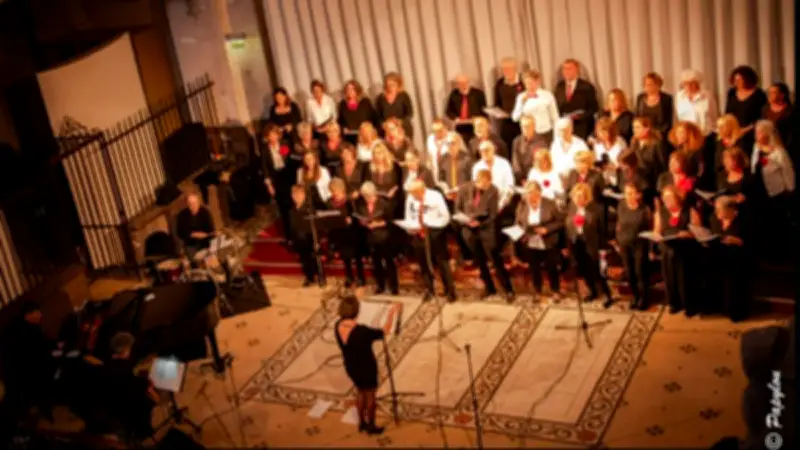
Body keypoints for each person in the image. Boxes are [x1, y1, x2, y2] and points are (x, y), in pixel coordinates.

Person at [334, 295, 398, 435]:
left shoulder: (337, 325)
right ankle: (371, 425)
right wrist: (392, 313)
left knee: (360, 391)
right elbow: (384, 331)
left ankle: (362, 423)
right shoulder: (362, 331)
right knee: (370, 395)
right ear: (356, 312)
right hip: (366, 367)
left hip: (351, 366)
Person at [455, 169, 515, 301]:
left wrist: (479, 224)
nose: (485, 187)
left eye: (487, 185)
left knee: (495, 260)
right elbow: (457, 209)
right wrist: (466, 221)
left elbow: (493, 214)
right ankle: (489, 287)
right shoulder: (464, 189)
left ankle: (508, 289)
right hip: (469, 230)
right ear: (477, 180)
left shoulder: (493, 190)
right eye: (483, 184)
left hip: (486, 229)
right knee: (480, 261)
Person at [2, 302, 56, 422]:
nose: (40, 315)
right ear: (28, 315)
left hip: (12, 375)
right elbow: (40, 351)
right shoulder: (31, 330)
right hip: (27, 374)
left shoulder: (12, 328)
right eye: (37, 313)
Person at [403, 179, 456, 302]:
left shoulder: (435, 196)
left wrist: (430, 225)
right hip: (418, 232)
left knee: (442, 262)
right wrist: (410, 227)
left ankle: (450, 290)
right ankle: (429, 289)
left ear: (422, 190)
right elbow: (408, 215)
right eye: (412, 194)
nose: (414, 197)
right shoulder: (410, 198)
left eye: (416, 194)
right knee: (423, 263)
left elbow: (445, 217)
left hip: (435, 232)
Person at [653, 185, 702, 316]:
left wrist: (688, 234)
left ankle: (689, 305)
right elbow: (656, 230)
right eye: (664, 198)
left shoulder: (689, 211)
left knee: (685, 279)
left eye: (669, 197)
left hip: (685, 251)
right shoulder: (660, 212)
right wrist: (656, 236)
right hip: (667, 251)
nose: (666, 200)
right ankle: (674, 304)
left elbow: (699, 232)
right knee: (670, 279)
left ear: (678, 197)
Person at [99, 332, 159, 438]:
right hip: (123, 414)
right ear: (127, 349)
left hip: (108, 407)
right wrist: (157, 399)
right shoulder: (128, 373)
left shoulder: (105, 365)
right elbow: (144, 392)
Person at [750, 120, 795, 261]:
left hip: (776, 192)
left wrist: (790, 188)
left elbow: (788, 171)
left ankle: (779, 254)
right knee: (762, 223)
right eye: (756, 132)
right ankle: (764, 253)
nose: (757, 135)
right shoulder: (756, 148)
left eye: (760, 132)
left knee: (777, 224)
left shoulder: (778, 152)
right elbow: (753, 167)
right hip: (760, 191)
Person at [564, 183, 613, 308]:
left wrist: (603, 248)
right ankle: (593, 291)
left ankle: (607, 295)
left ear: (587, 197)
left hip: (592, 243)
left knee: (597, 271)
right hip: (577, 242)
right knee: (584, 270)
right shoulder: (571, 207)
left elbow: (602, 230)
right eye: (576, 197)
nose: (578, 200)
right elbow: (568, 225)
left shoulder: (597, 209)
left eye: (581, 197)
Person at [515, 181, 563, 300]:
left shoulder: (549, 204)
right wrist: (520, 233)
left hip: (547, 240)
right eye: (528, 193)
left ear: (539, 192)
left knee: (551, 267)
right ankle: (537, 291)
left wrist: (547, 229)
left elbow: (561, 221)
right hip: (530, 241)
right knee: (534, 268)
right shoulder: (522, 204)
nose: (530, 196)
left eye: (533, 193)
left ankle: (555, 290)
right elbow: (518, 223)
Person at [709, 196, 750, 322]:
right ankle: (720, 308)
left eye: (720, 210)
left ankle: (736, 312)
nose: (717, 213)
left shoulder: (743, 221)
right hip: (719, 256)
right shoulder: (713, 219)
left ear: (730, 210)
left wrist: (738, 241)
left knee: (733, 282)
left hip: (737, 258)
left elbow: (751, 242)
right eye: (716, 210)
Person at [612, 183, 652, 310]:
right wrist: (617, 242)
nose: (627, 196)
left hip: (640, 244)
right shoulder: (621, 205)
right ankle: (635, 296)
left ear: (638, 195)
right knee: (629, 272)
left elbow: (651, 228)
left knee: (640, 271)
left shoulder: (645, 208)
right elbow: (618, 224)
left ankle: (644, 299)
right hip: (624, 243)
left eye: (630, 193)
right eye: (626, 193)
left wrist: (651, 249)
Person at [356, 182, 398, 294]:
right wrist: (363, 222)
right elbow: (360, 217)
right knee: (376, 262)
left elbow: (391, 221)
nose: (369, 199)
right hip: (371, 238)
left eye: (371, 197)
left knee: (389, 262)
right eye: (366, 197)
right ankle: (381, 285)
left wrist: (378, 224)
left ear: (375, 194)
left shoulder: (384, 204)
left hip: (385, 237)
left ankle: (394, 286)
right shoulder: (361, 205)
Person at [327, 178, 366, 287]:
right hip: (339, 233)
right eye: (333, 191)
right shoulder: (330, 202)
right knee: (345, 258)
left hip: (352, 232)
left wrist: (351, 219)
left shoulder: (349, 201)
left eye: (336, 191)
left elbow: (356, 215)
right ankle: (349, 277)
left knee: (357, 257)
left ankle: (361, 277)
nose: (335, 193)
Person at [261, 124, 294, 240]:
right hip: (276, 178)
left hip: (288, 177)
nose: (272, 137)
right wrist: (269, 185)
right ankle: (288, 234)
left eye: (274, 134)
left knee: (292, 205)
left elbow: (289, 159)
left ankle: (295, 230)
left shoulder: (285, 143)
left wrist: (279, 150)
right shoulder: (265, 149)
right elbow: (265, 168)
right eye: (270, 135)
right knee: (282, 207)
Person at [725, 66, 767, 155]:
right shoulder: (731, 93)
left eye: (740, 80)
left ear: (748, 79)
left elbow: (762, 117)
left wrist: (744, 130)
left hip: (750, 132)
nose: (737, 83)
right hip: (733, 132)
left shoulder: (759, 94)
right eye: (735, 80)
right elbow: (727, 113)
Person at [554, 59, 599, 139]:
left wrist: (580, 117)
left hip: (582, 127)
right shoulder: (559, 87)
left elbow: (594, 108)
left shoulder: (587, 87)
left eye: (569, 68)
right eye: (564, 69)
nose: (566, 71)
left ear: (577, 70)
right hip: (565, 128)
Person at [511, 70, 559, 145]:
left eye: (531, 83)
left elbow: (555, 117)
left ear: (538, 82)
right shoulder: (521, 97)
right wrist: (522, 103)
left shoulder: (547, 95)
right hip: (530, 135)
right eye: (527, 83)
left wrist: (557, 136)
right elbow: (515, 118)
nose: (529, 86)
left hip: (546, 133)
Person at [471, 140, 515, 217]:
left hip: (502, 201)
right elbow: (475, 187)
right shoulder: (477, 167)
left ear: (493, 150)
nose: (484, 153)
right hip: (484, 203)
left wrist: (501, 204)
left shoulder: (504, 163)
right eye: (481, 151)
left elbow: (510, 186)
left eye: (487, 150)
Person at [289, 185, 319, 286]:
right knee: (304, 259)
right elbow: (292, 226)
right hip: (298, 239)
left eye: (298, 194)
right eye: (294, 194)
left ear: (304, 195)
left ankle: (315, 275)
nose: (296, 196)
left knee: (311, 257)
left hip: (308, 238)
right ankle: (309, 276)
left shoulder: (309, 208)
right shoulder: (292, 210)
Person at [493, 57, 525, 150]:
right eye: (503, 69)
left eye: (508, 69)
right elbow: (497, 103)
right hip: (506, 122)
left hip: (522, 121)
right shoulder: (499, 83)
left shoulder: (523, 82)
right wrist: (498, 113)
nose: (506, 71)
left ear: (515, 68)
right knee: (508, 147)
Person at [631, 116, 666, 200]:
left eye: (638, 127)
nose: (634, 130)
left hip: (652, 183)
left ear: (647, 129)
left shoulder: (656, 144)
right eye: (633, 127)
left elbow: (663, 165)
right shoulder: (634, 143)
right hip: (638, 182)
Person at [675, 69, 718, 136]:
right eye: (685, 84)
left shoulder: (707, 96)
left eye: (691, 83)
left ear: (697, 84)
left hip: (705, 134)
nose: (688, 86)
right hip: (687, 135)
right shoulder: (679, 96)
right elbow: (679, 117)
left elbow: (714, 116)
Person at [445, 74, 487, 142]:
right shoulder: (454, 94)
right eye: (460, 83)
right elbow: (448, 111)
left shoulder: (478, 93)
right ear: (457, 85)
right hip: (460, 127)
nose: (463, 85)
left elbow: (484, 111)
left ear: (468, 82)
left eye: (465, 83)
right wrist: (455, 118)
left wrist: (478, 119)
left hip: (476, 127)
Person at [175, 192, 215, 259]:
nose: (193, 206)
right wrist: (193, 234)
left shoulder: (205, 212)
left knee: (211, 258)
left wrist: (207, 235)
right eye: (190, 204)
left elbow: (211, 229)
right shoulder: (182, 216)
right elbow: (179, 232)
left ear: (199, 202)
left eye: (195, 203)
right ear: (187, 204)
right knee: (195, 261)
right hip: (191, 244)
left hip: (205, 242)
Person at [634, 72, 674, 138]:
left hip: (660, 134)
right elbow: (637, 117)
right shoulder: (640, 97)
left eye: (651, 84)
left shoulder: (666, 98)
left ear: (658, 85)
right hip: (642, 134)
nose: (648, 87)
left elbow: (668, 121)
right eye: (646, 84)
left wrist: (657, 133)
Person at [375, 72, 414, 138]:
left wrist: (400, 121)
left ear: (398, 84)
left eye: (393, 85)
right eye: (388, 85)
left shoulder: (404, 95)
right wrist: (383, 124)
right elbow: (378, 116)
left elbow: (410, 113)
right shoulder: (381, 98)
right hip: (387, 131)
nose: (390, 87)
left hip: (403, 129)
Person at [511, 115, 549, 183]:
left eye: (528, 126)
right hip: (520, 179)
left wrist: (532, 177)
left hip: (537, 177)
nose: (525, 129)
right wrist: (521, 179)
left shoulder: (542, 142)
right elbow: (515, 162)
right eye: (523, 126)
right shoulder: (517, 141)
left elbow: (543, 162)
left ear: (534, 126)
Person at [367, 144, 401, 215]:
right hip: (375, 196)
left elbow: (398, 183)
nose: (377, 155)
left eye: (379, 153)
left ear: (384, 153)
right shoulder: (370, 167)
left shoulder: (393, 165)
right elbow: (368, 184)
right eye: (375, 153)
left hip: (390, 196)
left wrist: (393, 191)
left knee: (386, 206)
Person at [762, 81, 794, 150]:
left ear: (782, 95)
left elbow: (791, 134)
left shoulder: (790, 111)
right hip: (767, 147)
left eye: (773, 93)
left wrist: (783, 148)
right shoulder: (764, 109)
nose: (769, 95)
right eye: (768, 92)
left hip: (784, 148)